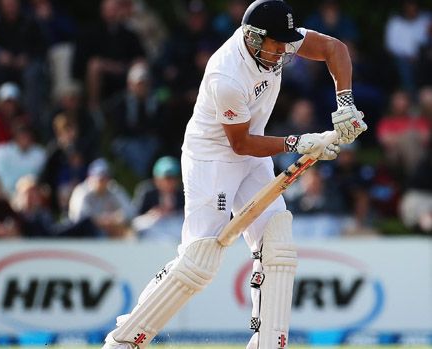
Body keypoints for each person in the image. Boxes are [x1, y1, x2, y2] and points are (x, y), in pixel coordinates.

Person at [101, 1, 367, 349]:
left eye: (287, 42)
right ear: (253, 38)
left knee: (277, 243)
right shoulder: (226, 74)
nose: (284, 51)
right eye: (276, 44)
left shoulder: (278, 41)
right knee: (199, 262)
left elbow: (335, 48)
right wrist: (298, 141)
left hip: (253, 153)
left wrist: (344, 103)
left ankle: (268, 343)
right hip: (213, 158)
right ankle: (124, 342)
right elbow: (239, 144)